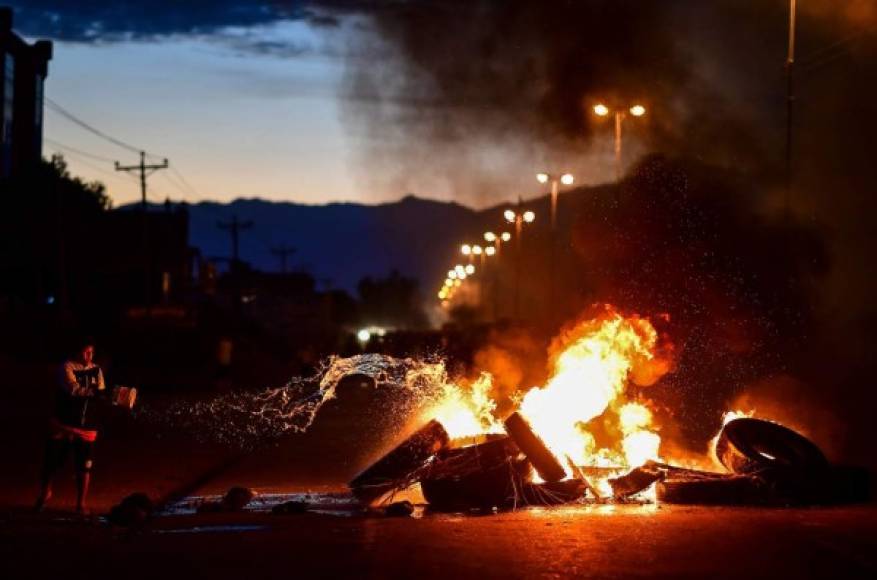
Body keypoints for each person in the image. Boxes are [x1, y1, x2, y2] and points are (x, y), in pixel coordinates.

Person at [35, 339, 106, 514]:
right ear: (77, 352)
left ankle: (81, 504)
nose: (88, 356)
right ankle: (46, 493)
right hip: (63, 423)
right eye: (85, 352)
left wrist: (112, 396)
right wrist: (97, 392)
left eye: (91, 352)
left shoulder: (96, 370)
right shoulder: (66, 367)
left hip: (86, 425)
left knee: (85, 465)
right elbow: (74, 389)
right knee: (52, 462)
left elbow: (101, 393)